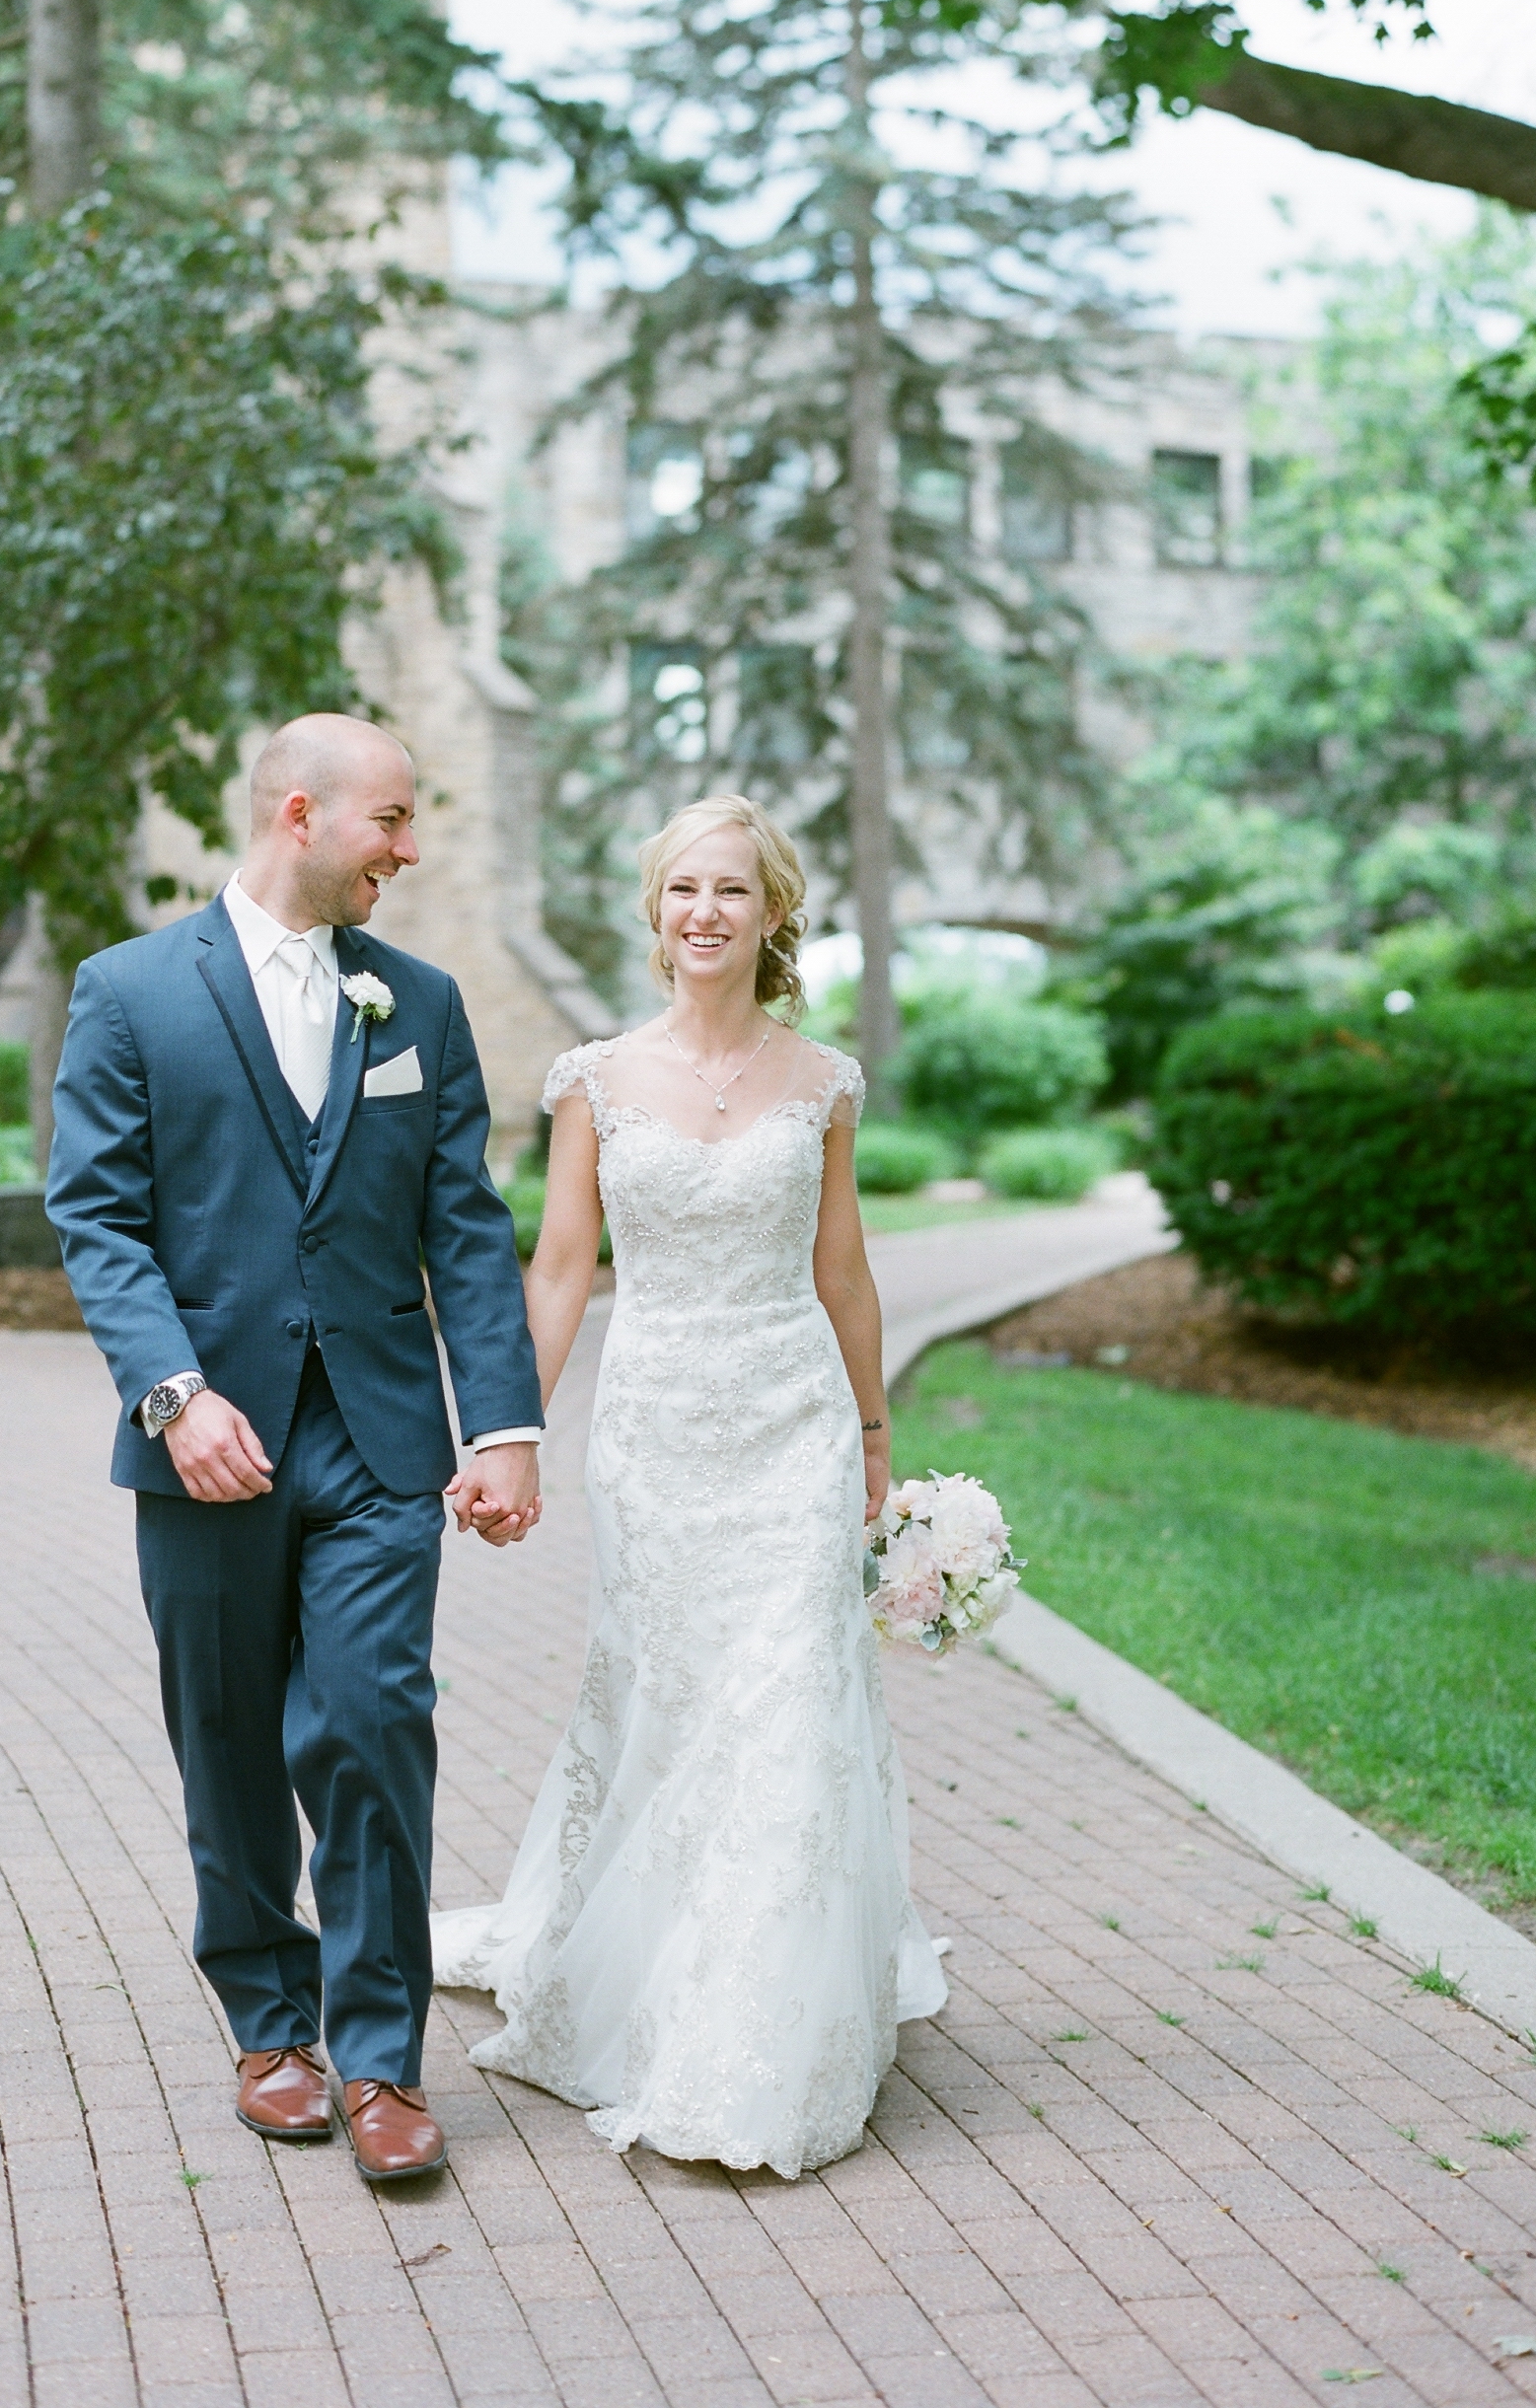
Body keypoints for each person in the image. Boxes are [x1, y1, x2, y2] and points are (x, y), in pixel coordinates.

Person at [46, 714, 544, 2189]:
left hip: (384, 1441)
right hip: (211, 1439)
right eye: (390, 820)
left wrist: (504, 1426)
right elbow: (99, 1216)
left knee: (375, 1721)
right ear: (301, 810)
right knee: (228, 1739)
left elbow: (464, 1225)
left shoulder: (423, 1004)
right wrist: (173, 1396)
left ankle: (381, 2055)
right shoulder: (130, 992)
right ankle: (271, 2025)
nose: (408, 848)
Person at [432, 792, 946, 2179]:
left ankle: (756, 2041)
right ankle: (645, 1975)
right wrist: (503, 1431)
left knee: (785, 1702)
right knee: (674, 1703)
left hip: (792, 1426)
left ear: (774, 912)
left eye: (732, 890)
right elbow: (558, 1273)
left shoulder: (825, 1081)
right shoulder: (596, 1079)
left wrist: (879, 1439)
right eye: (682, 891)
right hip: (656, 1432)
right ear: (655, 914)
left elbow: (843, 1271)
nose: (706, 913)